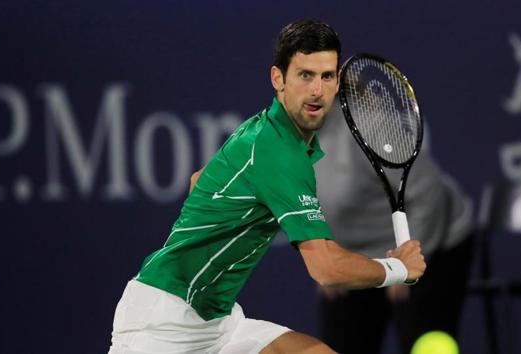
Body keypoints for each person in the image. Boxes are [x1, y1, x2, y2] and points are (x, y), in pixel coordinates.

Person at [108, 19, 426, 354]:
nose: (317, 90)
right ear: (279, 79)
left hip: (217, 322)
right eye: (305, 75)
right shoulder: (279, 155)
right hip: (161, 327)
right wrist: (399, 268)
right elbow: (327, 269)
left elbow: (199, 180)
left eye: (327, 76)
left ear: (337, 84)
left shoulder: (264, 130)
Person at [315, 101, 475, 354]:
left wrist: (405, 262)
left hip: (431, 237)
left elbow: (427, 193)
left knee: (426, 345)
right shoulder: (283, 137)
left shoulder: (371, 126)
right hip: (358, 253)